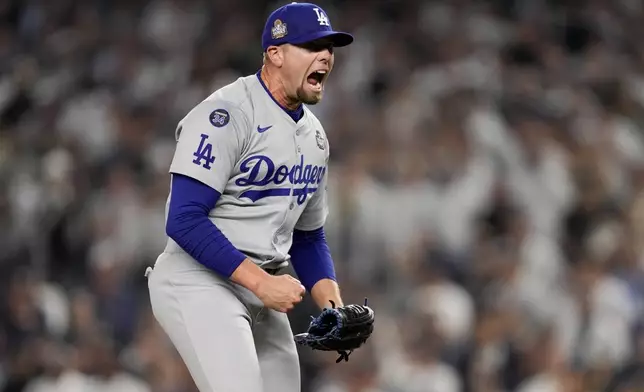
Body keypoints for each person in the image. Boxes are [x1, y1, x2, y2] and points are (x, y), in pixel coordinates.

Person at [145, 2, 354, 391]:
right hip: (199, 281)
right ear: (275, 54)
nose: (325, 55)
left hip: (262, 286)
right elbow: (184, 218)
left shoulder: (316, 137)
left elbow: (308, 236)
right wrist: (260, 284)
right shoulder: (227, 113)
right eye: (311, 46)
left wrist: (332, 307)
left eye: (329, 47)